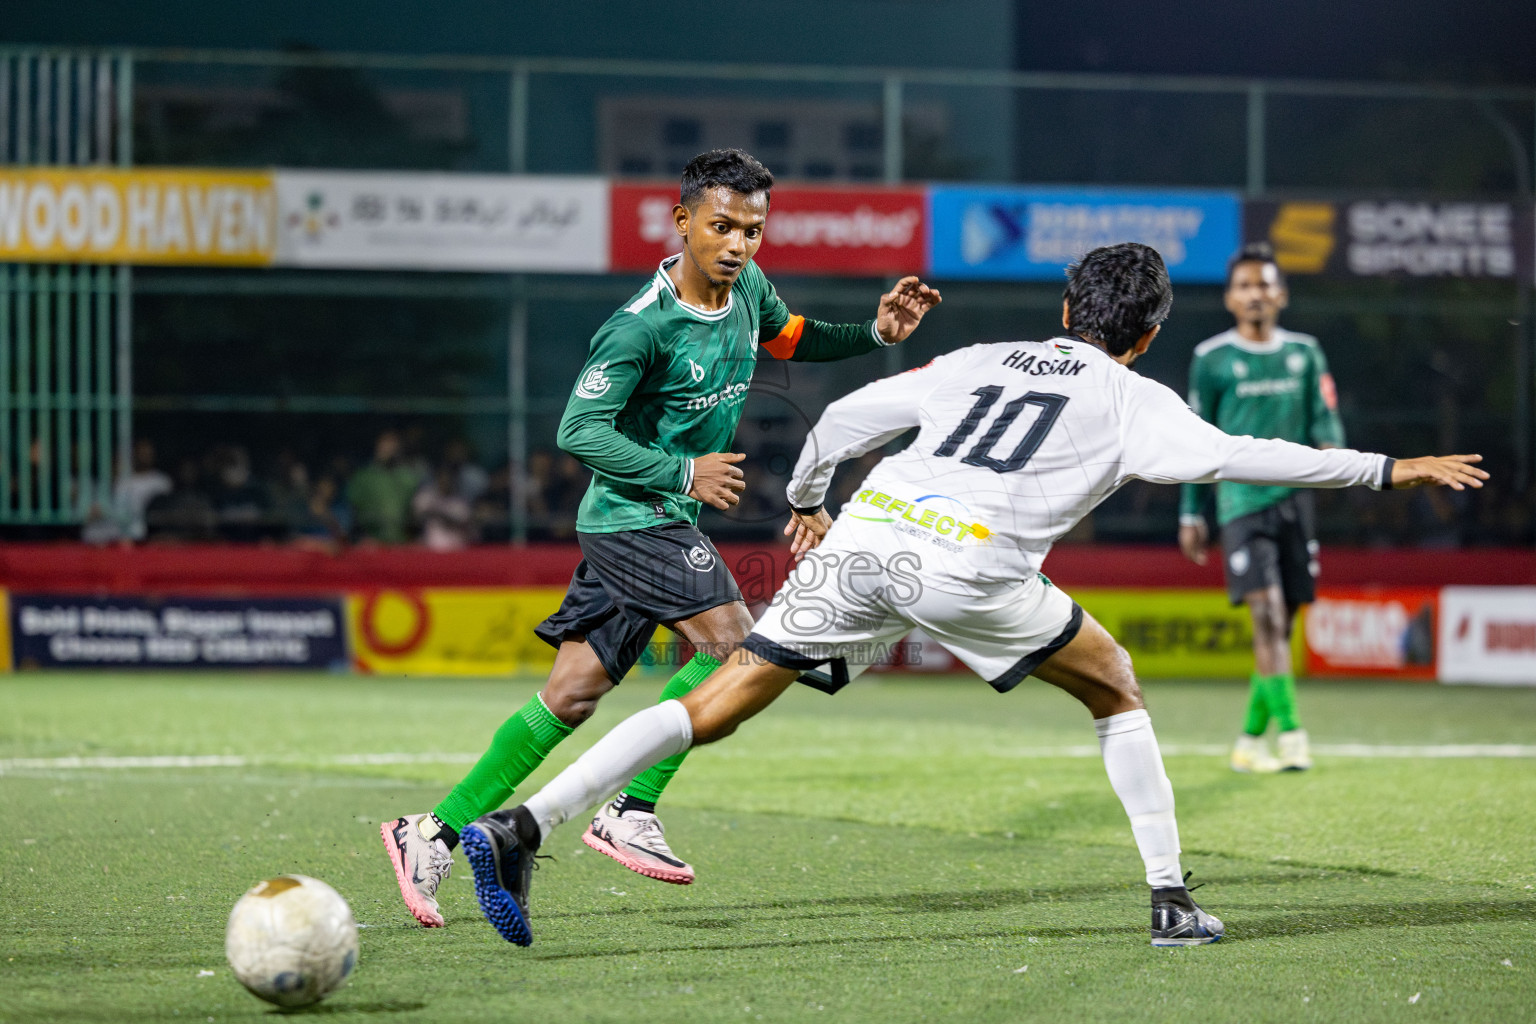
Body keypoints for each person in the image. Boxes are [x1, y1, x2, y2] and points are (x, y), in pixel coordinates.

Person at [455, 242, 1486, 948]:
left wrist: (811, 502)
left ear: (1068, 309)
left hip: (870, 538)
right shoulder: (1135, 396)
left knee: (712, 701)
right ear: (1147, 331)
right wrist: (1394, 468)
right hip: (978, 568)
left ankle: (523, 827)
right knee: (1117, 686)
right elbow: (1251, 454)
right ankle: (1171, 899)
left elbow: (849, 415)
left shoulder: (980, 358)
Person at [380, 148, 942, 930]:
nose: (739, 243)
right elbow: (578, 430)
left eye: (752, 229)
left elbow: (791, 337)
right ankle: (630, 807)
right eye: (721, 226)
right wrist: (682, 473)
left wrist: (876, 333)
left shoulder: (747, 288)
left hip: (645, 523)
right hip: (637, 519)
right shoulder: (638, 329)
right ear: (682, 223)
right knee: (736, 650)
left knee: (571, 697)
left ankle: (430, 831)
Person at [1178, 243, 1344, 774]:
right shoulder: (1212, 358)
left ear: (1281, 294)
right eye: (1245, 286)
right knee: (1268, 618)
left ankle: (1249, 741)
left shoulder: (1305, 352)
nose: (1256, 294)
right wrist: (1190, 511)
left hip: (1297, 503)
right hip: (1240, 502)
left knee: (1285, 621)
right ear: (1230, 298)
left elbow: (1325, 422)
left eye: (1264, 284)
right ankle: (1293, 735)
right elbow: (1195, 440)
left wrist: (1338, 462)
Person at [346, 430, 420, 544]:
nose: (390, 449)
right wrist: (359, 537)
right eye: (386, 444)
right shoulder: (363, 477)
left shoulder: (408, 478)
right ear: (377, 446)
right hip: (370, 544)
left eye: (393, 445)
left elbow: (415, 513)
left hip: (401, 544)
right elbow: (352, 513)